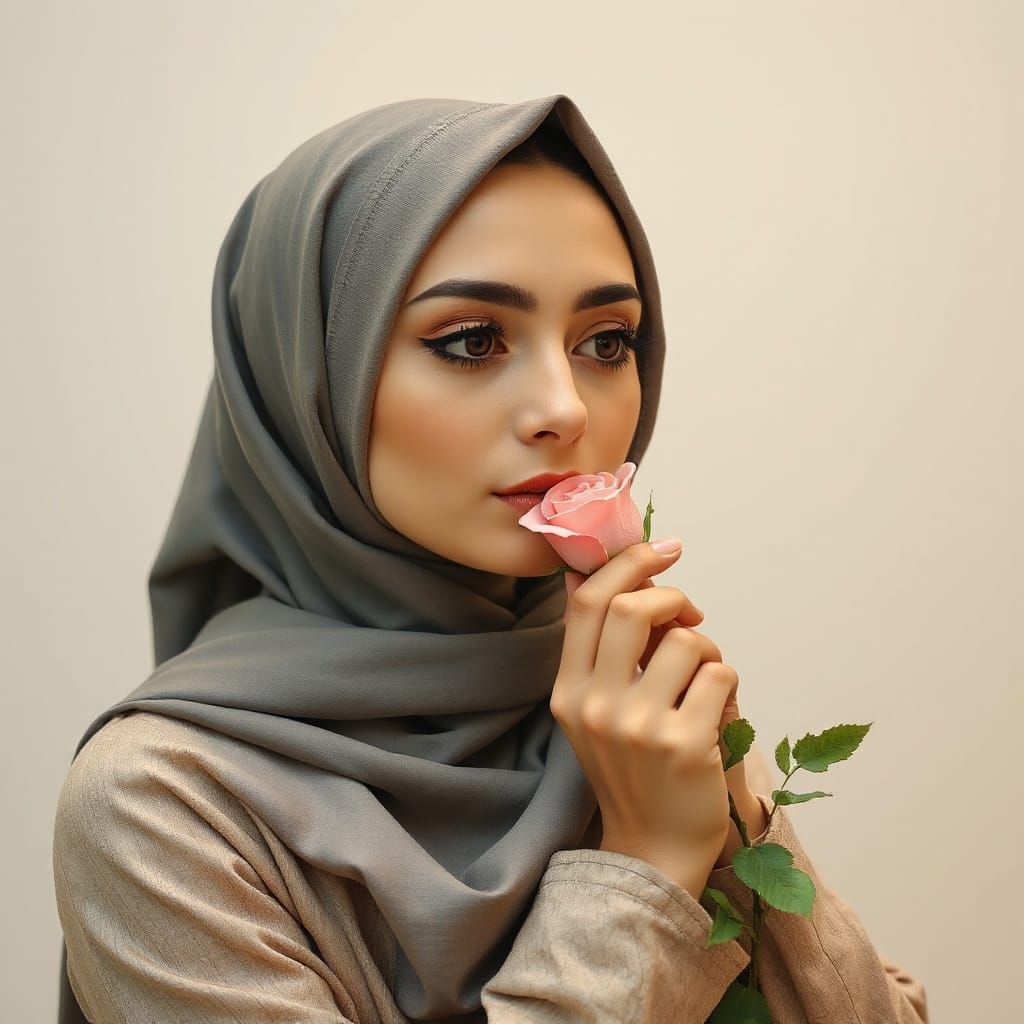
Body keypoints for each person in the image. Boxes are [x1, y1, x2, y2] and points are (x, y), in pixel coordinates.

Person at [51, 94, 929, 1023]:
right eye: (472, 340)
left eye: (606, 342)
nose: (567, 408)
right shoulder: (161, 805)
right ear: (311, 378)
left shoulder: (626, 707)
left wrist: (731, 810)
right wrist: (645, 871)